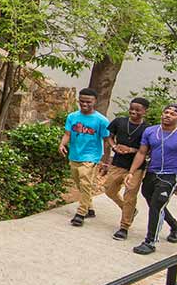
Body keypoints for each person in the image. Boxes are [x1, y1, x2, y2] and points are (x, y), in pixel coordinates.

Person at [125, 104, 177, 255]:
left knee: (157, 205)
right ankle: (176, 225)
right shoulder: (150, 131)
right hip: (151, 173)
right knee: (153, 203)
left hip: (170, 175)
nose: (168, 115)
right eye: (166, 112)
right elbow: (142, 152)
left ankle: (150, 242)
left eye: (173, 113)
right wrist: (131, 172)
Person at [59, 88, 111, 227]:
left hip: (91, 156)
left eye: (88, 101)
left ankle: (80, 213)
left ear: (95, 101)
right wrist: (62, 144)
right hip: (75, 154)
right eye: (82, 101)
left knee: (86, 182)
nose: (84, 104)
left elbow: (107, 141)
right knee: (79, 183)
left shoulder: (101, 121)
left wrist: (106, 161)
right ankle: (90, 208)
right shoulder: (72, 117)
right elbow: (68, 134)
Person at [101, 97, 150, 241]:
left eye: (138, 110)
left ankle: (124, 226)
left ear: (145, 112)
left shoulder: (147, 129)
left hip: (136, 168)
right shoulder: (119, 122)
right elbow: (109, 137)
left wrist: (131, 149)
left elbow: (146, 150)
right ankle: (129, 210)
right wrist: (114, 146)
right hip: (117, 164)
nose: (133, 112)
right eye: (132, 108)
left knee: (130, 195)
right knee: (109, 189)